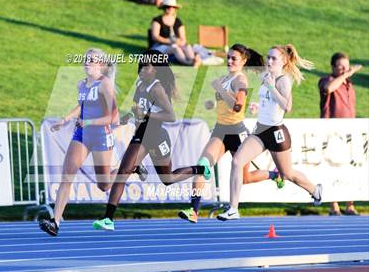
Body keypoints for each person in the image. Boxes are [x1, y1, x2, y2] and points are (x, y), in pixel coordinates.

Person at [92, 50, 210, 231]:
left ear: (155, 69)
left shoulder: (157, 88)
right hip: (141, 135)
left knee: (168, 178)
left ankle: (200, 169)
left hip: (156, 137)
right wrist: (125, 118)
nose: (141, 69)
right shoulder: (140, 85)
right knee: (123, 171)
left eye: (146, 66)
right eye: (140, 65)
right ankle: (108, 218)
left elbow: (170, 116)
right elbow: (137, 109)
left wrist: (146, 114)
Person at [177, 44, 285, 224]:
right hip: (220, 130)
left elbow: (238, 107)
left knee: (246, 178)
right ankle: (193, 210)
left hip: (236, 132)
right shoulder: (225, 77)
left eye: (234, 58)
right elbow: (223, 101)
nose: (229, 61)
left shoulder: (241, 81)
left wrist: (220, 90)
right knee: (203, 165)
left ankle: (275, 175)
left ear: (243, 61)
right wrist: (212, 103)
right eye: (228, 57)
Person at [217, 44, 323, 220]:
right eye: (269, 57)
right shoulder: (266, 75)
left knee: (287, 174)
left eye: (274, 58)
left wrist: (272, 87)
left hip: (276, 132)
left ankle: (315, 190)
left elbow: (287, 107)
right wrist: (258, 106)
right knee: (237, 162)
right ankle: (233, 208)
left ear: (283, 61)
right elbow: (269, 102)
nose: (269, 60)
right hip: (260, 129)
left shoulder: (283, 80)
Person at [39, 48, 119, 236]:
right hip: (82, 134)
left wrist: (90, 121)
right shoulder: (81, 85)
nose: (87, 62)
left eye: (91, 60)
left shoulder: (105, 85)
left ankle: (130, 167)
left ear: (100, 64)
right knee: (67, 174)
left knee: (104, 185)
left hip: (101, 135)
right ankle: (55, 222)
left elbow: (113, 118)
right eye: (85, 59)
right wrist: (65, 120)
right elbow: (82, 106)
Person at [318, 52, 363, 216]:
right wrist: (348, 73)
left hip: (349, 132)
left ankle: (349, 204)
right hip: (332, 133)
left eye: (347, 65)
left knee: (350, 168)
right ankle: (334, 205)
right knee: (332, 168)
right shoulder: (326, 80)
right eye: (341, 66)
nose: (345, 69)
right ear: (333, 67)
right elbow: (329, 88)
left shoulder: (348, 84)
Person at [150, 0, 201, 67]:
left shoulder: (178, 21)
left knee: (187, 46)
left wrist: (179, 42)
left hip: (175, 44)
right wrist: (169, 41)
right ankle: (188, 63)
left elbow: (183, 38)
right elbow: (155, 37)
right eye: (168, 7)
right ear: (164, 8)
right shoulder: (157, 20)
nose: (171, 9)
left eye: (173, 7)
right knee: (175, 49)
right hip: (160, 46)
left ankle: (192, 60)